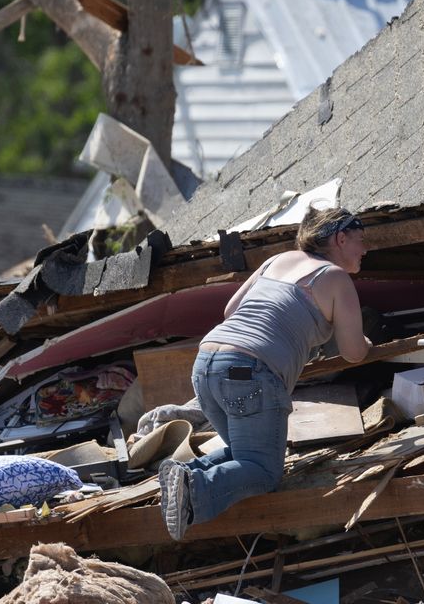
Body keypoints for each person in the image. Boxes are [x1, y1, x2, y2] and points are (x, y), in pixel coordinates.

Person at [158, 207, 373, 540]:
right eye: (360, 241)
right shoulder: (334, 277)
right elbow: (354, 352)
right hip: (249, 373)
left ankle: (183, 474)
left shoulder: (278, 260)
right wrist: (364, 339)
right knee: (264, 470)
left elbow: (231, 310)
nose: (365, 249)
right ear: (340, 238)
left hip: (206, 365)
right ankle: (194, 487)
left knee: (248, 455)